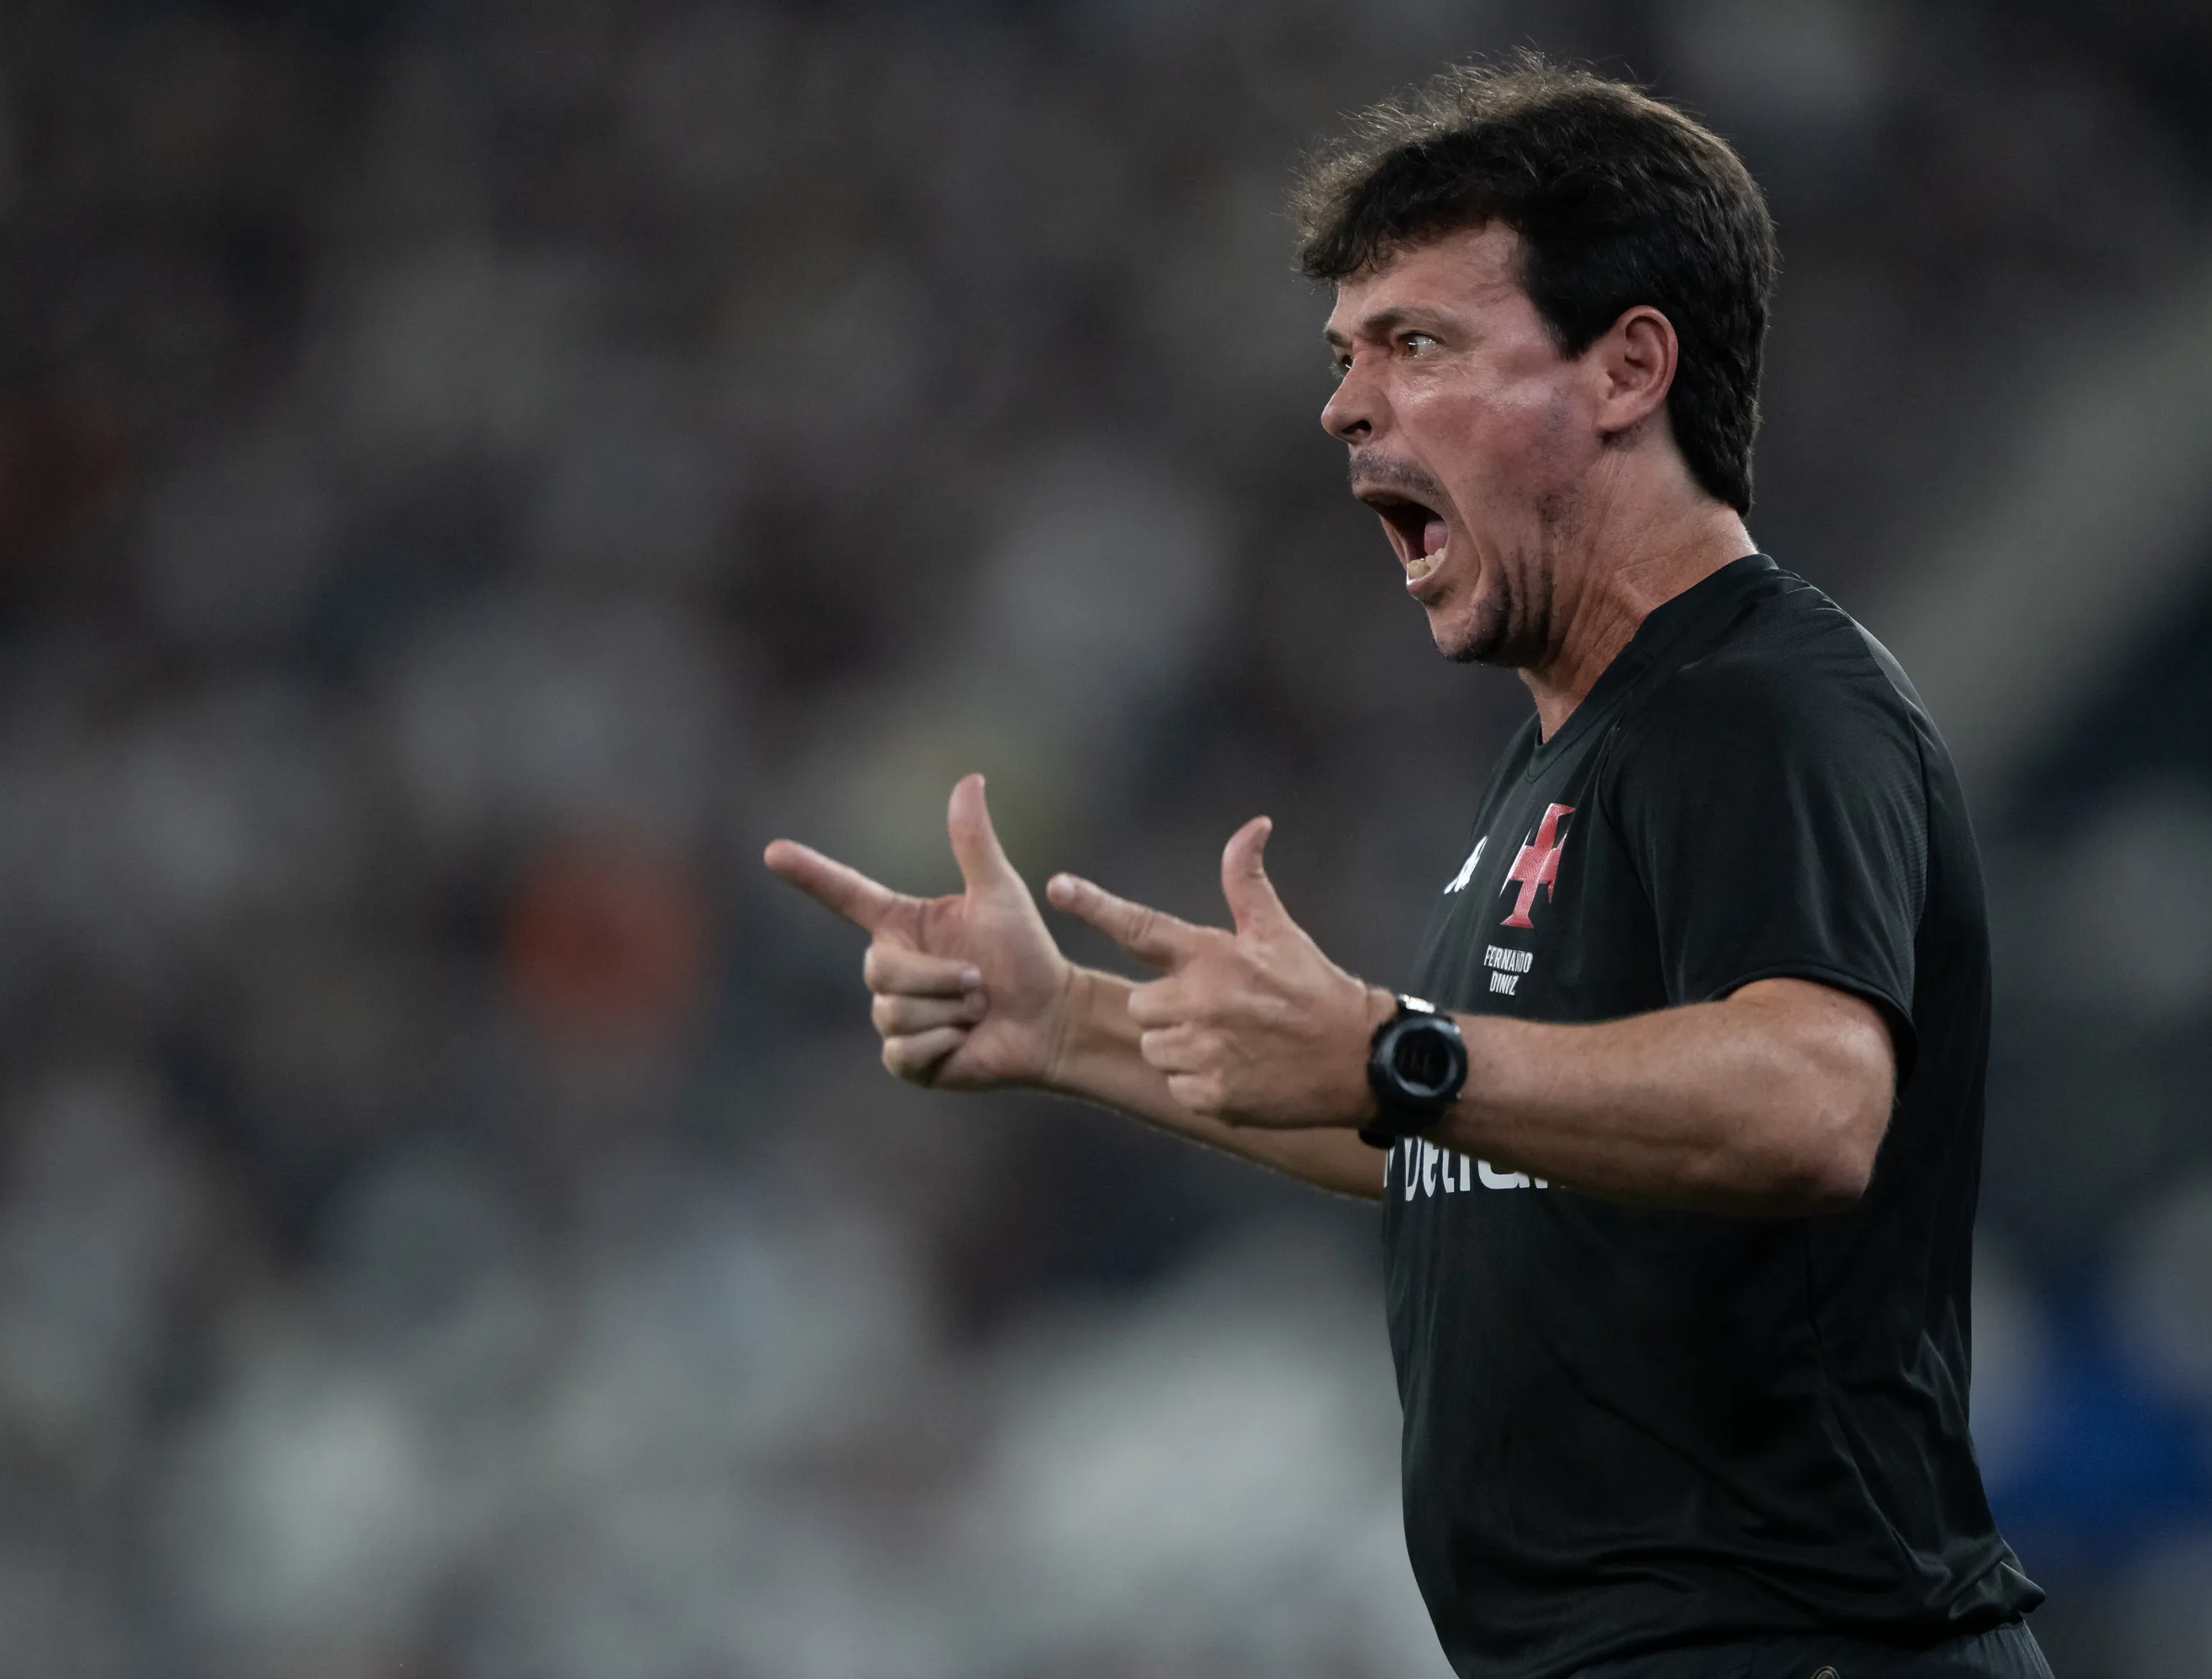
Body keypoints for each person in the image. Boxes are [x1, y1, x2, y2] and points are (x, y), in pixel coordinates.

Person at [766, 56, 2051, 1679]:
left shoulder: (1762, 703)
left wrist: (1399, 1051)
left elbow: (1814, 1101)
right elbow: (1478, 1154)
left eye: (1419, 344)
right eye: (1345, 356)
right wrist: (1069, 1028)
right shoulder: (1572, 752)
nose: (1345, 405)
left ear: (1627, 369)